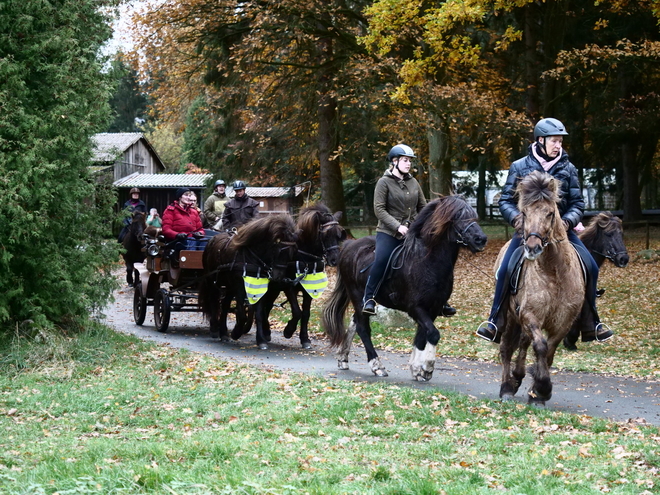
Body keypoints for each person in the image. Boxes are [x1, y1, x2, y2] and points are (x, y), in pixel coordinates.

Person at [476, 117, 613, 344]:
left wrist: (567, 222)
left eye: (560, 141)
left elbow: (578, 203)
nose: (558, 145)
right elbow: (505, 202)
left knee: (590, 267)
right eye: (554, 141)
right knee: (505, 269)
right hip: (528, 232)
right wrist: (518, 220)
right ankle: (495, 321)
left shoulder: (568, 168)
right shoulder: (520, 166)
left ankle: (592, 323)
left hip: (561, 232)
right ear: (540, 141)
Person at [362, 144, 428, 315]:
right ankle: (368, 298)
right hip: (388, 232)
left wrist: (426, 224)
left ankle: (436, 299)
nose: (408, 164)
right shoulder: (384, 183)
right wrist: (397, 226)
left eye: (410, 161)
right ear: (394, 161)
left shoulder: (413, 182)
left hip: (412, 232)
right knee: (382, 260)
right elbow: (379, 210)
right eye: (405, 160)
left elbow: (423, 206)